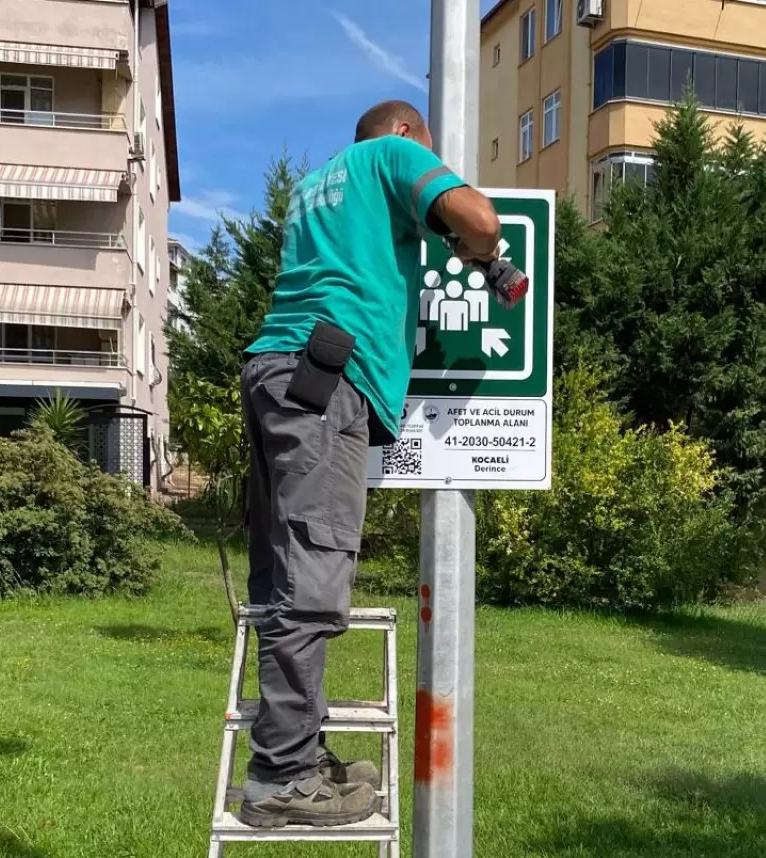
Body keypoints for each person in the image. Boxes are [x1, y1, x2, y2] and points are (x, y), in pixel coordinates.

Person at [238, 100, 502, 828]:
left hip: (278, 370)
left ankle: (297, 749)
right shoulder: (392, 154)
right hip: (326, 378)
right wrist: (478, 248)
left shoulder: (317, 184)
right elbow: (481, 220)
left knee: (284, 574)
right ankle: (282, 778)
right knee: (314, 578)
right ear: (408, 133)